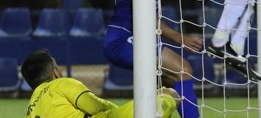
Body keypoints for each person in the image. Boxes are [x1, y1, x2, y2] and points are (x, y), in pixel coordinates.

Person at [103, 0, 203, 118]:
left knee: (168, 87)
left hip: (126, 34)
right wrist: (178, 37)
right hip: (122, 38)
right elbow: (142, 12)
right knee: (183, 70)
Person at [21, 48, 179, 118]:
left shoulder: (30, 110)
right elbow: (95, 106)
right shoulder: (61, 84)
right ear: (56, 73)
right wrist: (127, 111)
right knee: (169, 94)